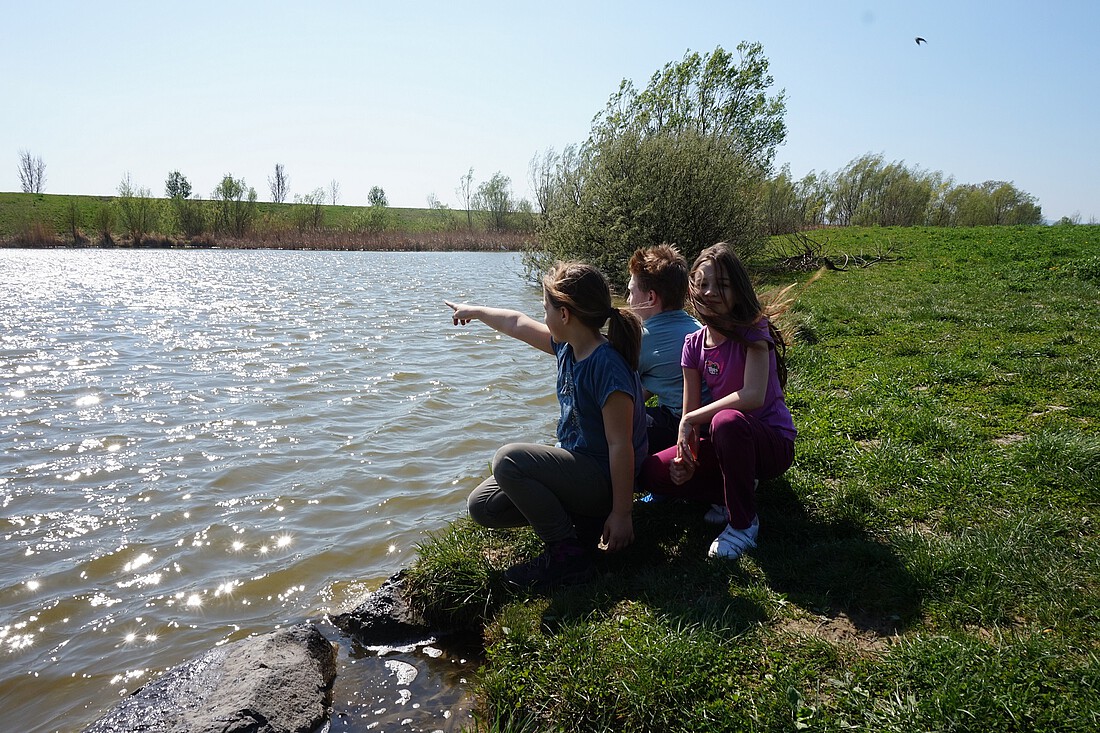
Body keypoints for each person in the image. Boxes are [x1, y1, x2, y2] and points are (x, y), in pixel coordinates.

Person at [446, 261, 648, 589]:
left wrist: (622, 513)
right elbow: (515, 322)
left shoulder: (606, 366)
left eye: (545, 309)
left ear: (565, 315)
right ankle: (577, 527)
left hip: (602, 482)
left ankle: (567, 554)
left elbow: (620, 445)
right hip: (580, 475)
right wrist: (476, 311)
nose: (542, 316)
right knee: (483, 507)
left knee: (508, 460)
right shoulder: (567, 347)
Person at [639, 243, 796, 559]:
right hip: (725, 440)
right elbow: (690, 419)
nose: (710, 292)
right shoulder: (692, 344)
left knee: (725, 421)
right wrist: (687, 458)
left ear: (737, 290)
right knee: (650, 474)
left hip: (771, 444)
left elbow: (751, 395)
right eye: (703, 284)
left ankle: (743, 524)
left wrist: (692, 419)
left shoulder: (754, 329)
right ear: (692, 289)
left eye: (721, 285)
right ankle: (730, 489)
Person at [626, 244, 704, 452]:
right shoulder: (695, 327)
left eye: (631, 292)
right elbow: (657, 378)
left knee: (616, 426)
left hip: (680, 424)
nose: (628, 300)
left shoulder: (643, 338)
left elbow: (618, 392)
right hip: (705, 421)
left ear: (650, 297)